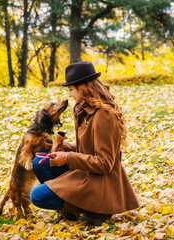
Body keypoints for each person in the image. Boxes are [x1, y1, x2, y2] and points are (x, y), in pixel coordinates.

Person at [30, 61, 139, 225]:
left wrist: (67, 158)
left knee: (37, 196)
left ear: (82, 88)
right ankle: (70, 212)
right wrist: (63, 147)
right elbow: (88, 150)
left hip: (101, 183)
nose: (70, 95)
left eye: (71, 90)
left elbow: (104, 163)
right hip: (87, 172)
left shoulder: (104, 115)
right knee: (39, 162)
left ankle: (97, 210)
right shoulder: (83, 110)